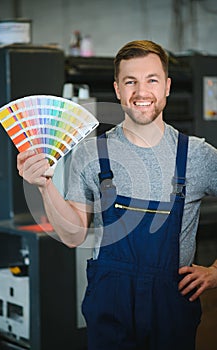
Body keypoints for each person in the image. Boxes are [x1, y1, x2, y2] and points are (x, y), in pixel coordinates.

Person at [17, 40, 217, 350]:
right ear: (117, 89)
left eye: (151, 80)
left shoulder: (198, 156)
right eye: (130, 82)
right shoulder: (89, 154)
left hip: (170, 306)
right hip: (111, 303)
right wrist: (44, 186)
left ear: (166, 86)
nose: (141, 91)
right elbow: (72, 235)